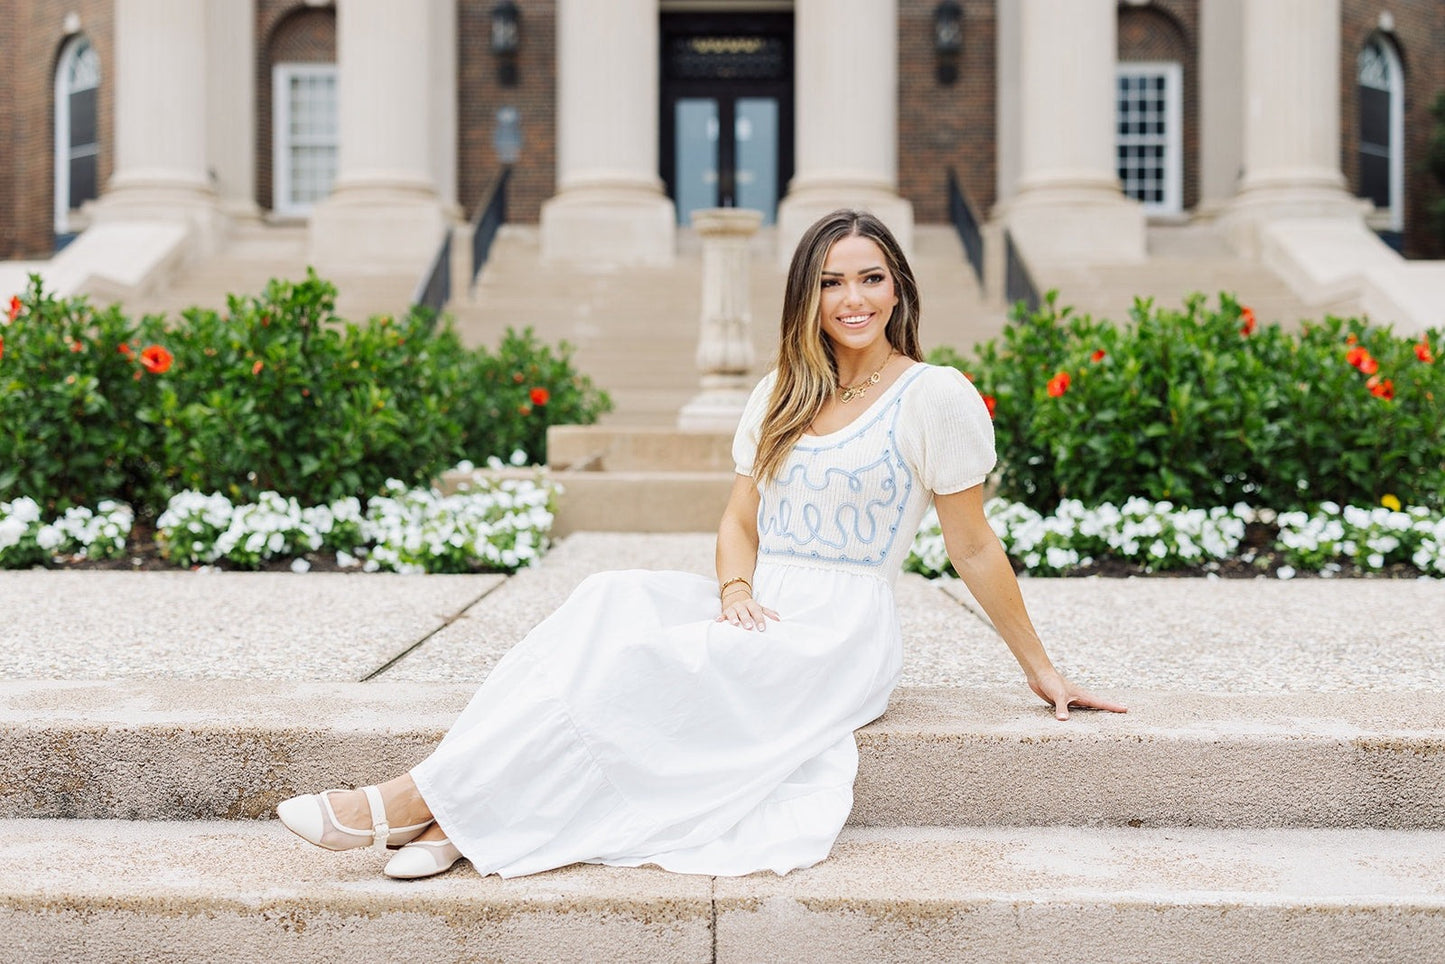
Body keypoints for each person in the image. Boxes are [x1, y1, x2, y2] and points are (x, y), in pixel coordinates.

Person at [276, 209, 1126, 880]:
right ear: (808, 296)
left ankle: (398, 802)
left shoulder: (933, 396)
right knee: (605, 603)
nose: (853, 299)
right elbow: (738, 524)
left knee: (644, 669)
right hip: (759, 601)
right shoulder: (782, 392)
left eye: (870, 278)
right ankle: (453, 823)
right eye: (832, 283)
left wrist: (1038, 667)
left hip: (838, 629)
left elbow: (972, 546)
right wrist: (732, 591)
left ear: (898, 288)